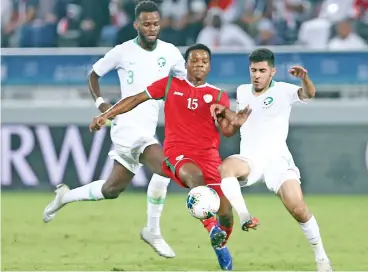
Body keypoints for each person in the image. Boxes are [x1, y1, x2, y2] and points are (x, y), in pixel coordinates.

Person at [89, 43, 258, 271]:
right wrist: (107, 114)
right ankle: (211, 229)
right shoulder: (170, 85)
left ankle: (220, 245)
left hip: (209, 156)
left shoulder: (217, 95)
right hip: (178, 153)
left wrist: (235, 123)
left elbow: (226, 131)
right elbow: (135, 99)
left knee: (226, 214)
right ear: (186, 64)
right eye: (195, 61)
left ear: (209, 67)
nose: (199, 65)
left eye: (204, 61)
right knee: (195, 179)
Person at [43, 0, 187, 259]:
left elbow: (185, 85)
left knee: (112, 189)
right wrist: (100, 103)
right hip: (126, 127)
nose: (152, 28)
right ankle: (152, 230)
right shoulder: (122, 51)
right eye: (146, 24)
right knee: (165, 166)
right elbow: (93, 75)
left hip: (147, 127)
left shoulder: (171, 52)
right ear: (136, 25)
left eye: (155, 23)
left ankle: (65, 196)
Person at [211, 48, 333, 272]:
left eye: (262, 70)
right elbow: (235, 125)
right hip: (250, 158)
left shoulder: (285, 91)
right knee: (225, 167)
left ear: (272, 71)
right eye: (253, 70)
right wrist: (225, 115)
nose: (256, 75)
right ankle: (245, 216)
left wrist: (305, 78)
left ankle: (321, 257)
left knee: (298, 208)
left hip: (277, 160)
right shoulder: (242, 91)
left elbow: (310, 94)